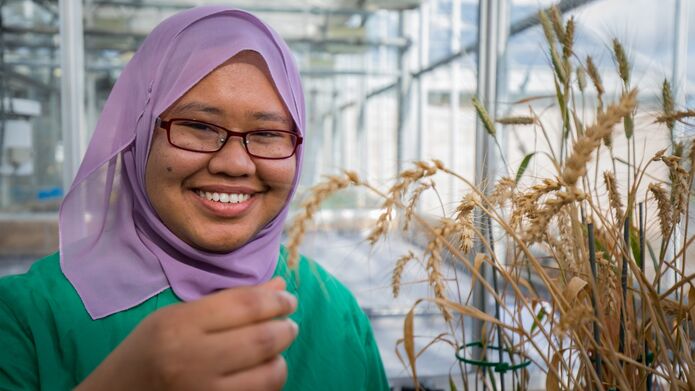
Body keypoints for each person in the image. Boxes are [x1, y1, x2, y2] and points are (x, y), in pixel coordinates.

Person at [0, 6, 388, 390]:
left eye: (268, 133)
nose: (235, 164)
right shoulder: (25, 318)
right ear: (139, 134)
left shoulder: (335, 312)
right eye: (199, 126)